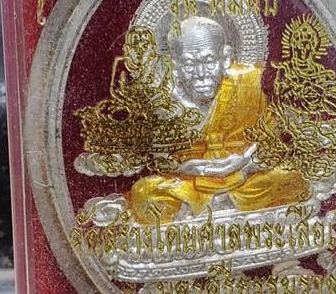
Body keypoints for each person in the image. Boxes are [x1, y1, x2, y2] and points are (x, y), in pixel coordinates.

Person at [128, 16, 309, 224]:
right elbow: (157, 157)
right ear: (175, 66)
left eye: (209, 61)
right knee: (143, 193)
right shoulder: (162, 101)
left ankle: (208, 209)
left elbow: (273, 143)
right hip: (191, 185)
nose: (201, 74)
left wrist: (246, 163)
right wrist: (183, 167)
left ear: (226, 58)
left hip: (244, 179)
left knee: (294, 178)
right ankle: (223, 207)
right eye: (189, 64)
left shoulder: (250, 85)